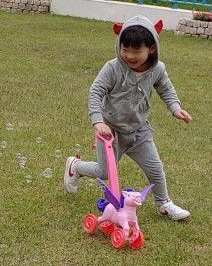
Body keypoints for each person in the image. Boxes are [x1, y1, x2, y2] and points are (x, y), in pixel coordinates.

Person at [64, 15, 192, 220]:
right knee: (104, 172)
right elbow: (95, 92)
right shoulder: (113, 68)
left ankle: (164, 203)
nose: (129, 56)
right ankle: (75, 167)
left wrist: (175, 108)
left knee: (155, 168)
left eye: (136, 51)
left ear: (151, 48)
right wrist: (98, 121)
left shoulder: (157, 70)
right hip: (110, 132)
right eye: (125, 49)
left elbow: (166, 89)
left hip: (139, 131)